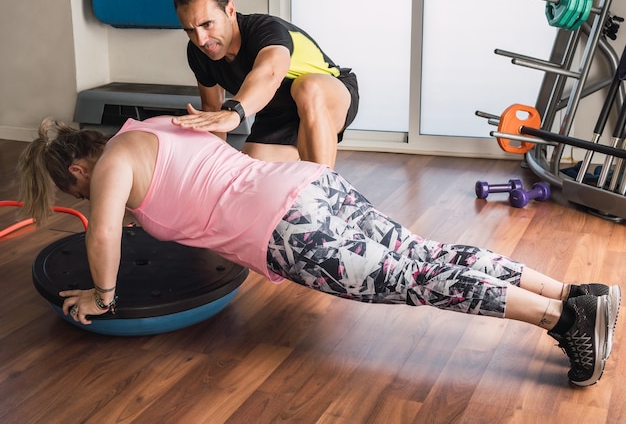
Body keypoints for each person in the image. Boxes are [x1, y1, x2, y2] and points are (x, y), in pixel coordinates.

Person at [17, 116, 621, 388]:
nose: (92, 198)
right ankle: (575, 294)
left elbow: (101, 236)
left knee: (417, 280)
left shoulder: (112, 167)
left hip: (289, 230)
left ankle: (564, 320)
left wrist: (103, 297)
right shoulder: (146, 126)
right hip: (309, 185)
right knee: (425, 255)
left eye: (77, 189)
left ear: (78, 168)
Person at [170, 0, 359, 168]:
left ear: (230, 10)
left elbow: (270, 74)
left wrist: (234, 112)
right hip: (278, 113)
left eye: (207, 24)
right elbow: (212, 110)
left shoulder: (266, 31)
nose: (201, 39)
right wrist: (211, 169)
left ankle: (325, 190)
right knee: (250, 173)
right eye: (190, 30)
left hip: (331, 95)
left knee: (307, 87)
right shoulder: (199, 52)